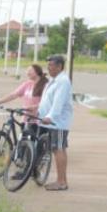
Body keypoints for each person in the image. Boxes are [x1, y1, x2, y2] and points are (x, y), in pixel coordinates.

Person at [37, 54, 73, 191]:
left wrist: (50, 117)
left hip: (57, 122)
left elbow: (58, 103)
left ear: (59, 66)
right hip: (52, 121)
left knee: (58, 149)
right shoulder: (54, 80)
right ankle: (62, 180)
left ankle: (61, 182)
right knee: (59, 149)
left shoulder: (62, 81)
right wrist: (39, 112)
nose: (49, 68)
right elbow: (47, 100)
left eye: (51, 65)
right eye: (48, 65)